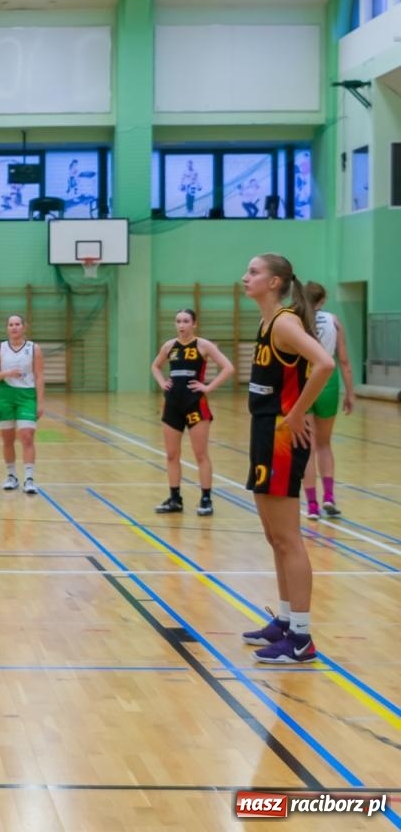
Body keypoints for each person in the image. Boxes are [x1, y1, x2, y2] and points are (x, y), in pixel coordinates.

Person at [238, 253, 334, 665]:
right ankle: (284, 620)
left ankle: (301, 638)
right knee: (274, 537)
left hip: (280, 436)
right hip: (265, 431)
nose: (246, 277)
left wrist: (296, 414)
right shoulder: (267, 322)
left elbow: (324, 363)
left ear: (275, 282)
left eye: (254, 272)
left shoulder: (285, 323)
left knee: (289, 538)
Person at [150, 309, 235, 516]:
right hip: (172, 405)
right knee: (172, 455)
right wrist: (163, 383)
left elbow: (228, 367)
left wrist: (208, 387)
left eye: (186, 321)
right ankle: (174, 499)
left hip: (195, 404)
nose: (181, 325)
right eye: (178, 321)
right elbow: (155, 366)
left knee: (200, 454)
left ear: (194, 324)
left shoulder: (203, 345)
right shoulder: (169, 346)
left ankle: (206, 499)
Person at [304, 282, 357, 520]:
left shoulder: (295, 319)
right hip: (328, 382)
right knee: (324, 444)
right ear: (323, 300)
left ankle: (312, 506)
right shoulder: (334, 320)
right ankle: (329, 497)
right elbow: (344, 361)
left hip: (304, 382)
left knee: (308, 448)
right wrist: (350, 392)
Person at [0, 314, 43, 494]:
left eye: (17, 324)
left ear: (24, 326)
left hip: (27, 396)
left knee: (27, 436)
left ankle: (29, 478)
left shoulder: (34, 348)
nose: (14, 327)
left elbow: (39, 376)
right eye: (11, 324)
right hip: (6, 396)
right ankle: (11, 476)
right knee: (8, 439)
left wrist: (40, 402)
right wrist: (7, 373)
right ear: (7, 328)